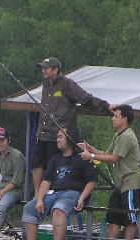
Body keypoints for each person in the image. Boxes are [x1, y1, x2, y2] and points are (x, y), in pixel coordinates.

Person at [31, 56, 110, 197]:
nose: (43, 70)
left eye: (46, 68)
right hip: (42, 132)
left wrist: (107, 107)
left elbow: (86, 99)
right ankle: (38, 192)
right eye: (42, 68)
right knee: (36, 162)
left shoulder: (67, 84)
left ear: (55, 70)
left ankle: (52, 193)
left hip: (58, 133)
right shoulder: (45, 84)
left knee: (53, 165)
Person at [78, 104, 140, 240]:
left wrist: (91, 157)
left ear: (125, 119)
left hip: (131, 182)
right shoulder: (118, 135)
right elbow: (107, 154)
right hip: (120, 184)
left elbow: (114, 159)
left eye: (116, 116)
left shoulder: (128, 136)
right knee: (114, 216)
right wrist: (90, 148)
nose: (113, 119)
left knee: (130, 219)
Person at [20, 128, 98, 240]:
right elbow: (46, 181)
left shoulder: (82, 158)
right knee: (29, 208)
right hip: (54, 192)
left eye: (60, 137)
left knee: (59, 209)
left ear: (69, 140)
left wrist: (82, 198)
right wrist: (39, 199)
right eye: (57, 137)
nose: (57, 139)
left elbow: (92, 181)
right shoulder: (55, 159)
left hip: (73, 193)